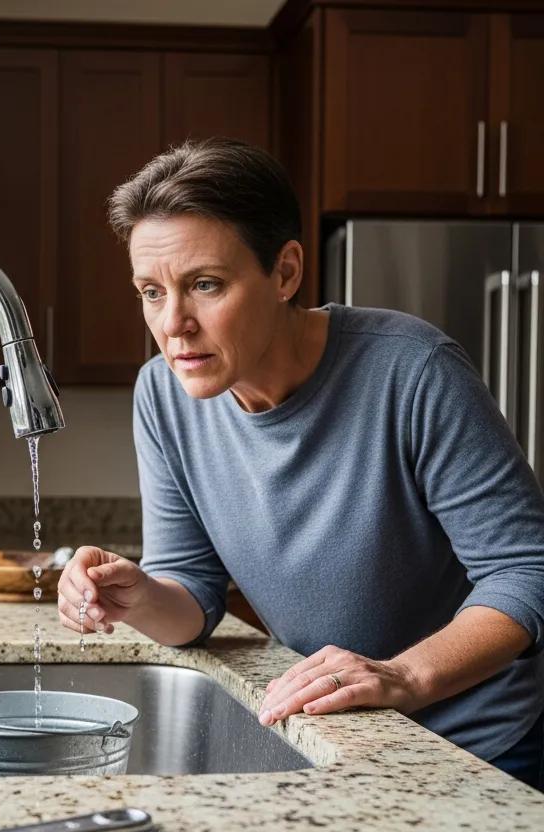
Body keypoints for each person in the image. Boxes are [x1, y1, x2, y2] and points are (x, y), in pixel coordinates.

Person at [56, 138, 544, 790]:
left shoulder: (413, 371)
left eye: (205, 285)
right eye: (151, 291)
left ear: (285, 273)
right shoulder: (162, 396)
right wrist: (139, 596)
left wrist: (405, 675)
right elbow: (192, 596)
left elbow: (524, 569)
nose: (174, 324)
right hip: (340, 737)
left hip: (484, 749)